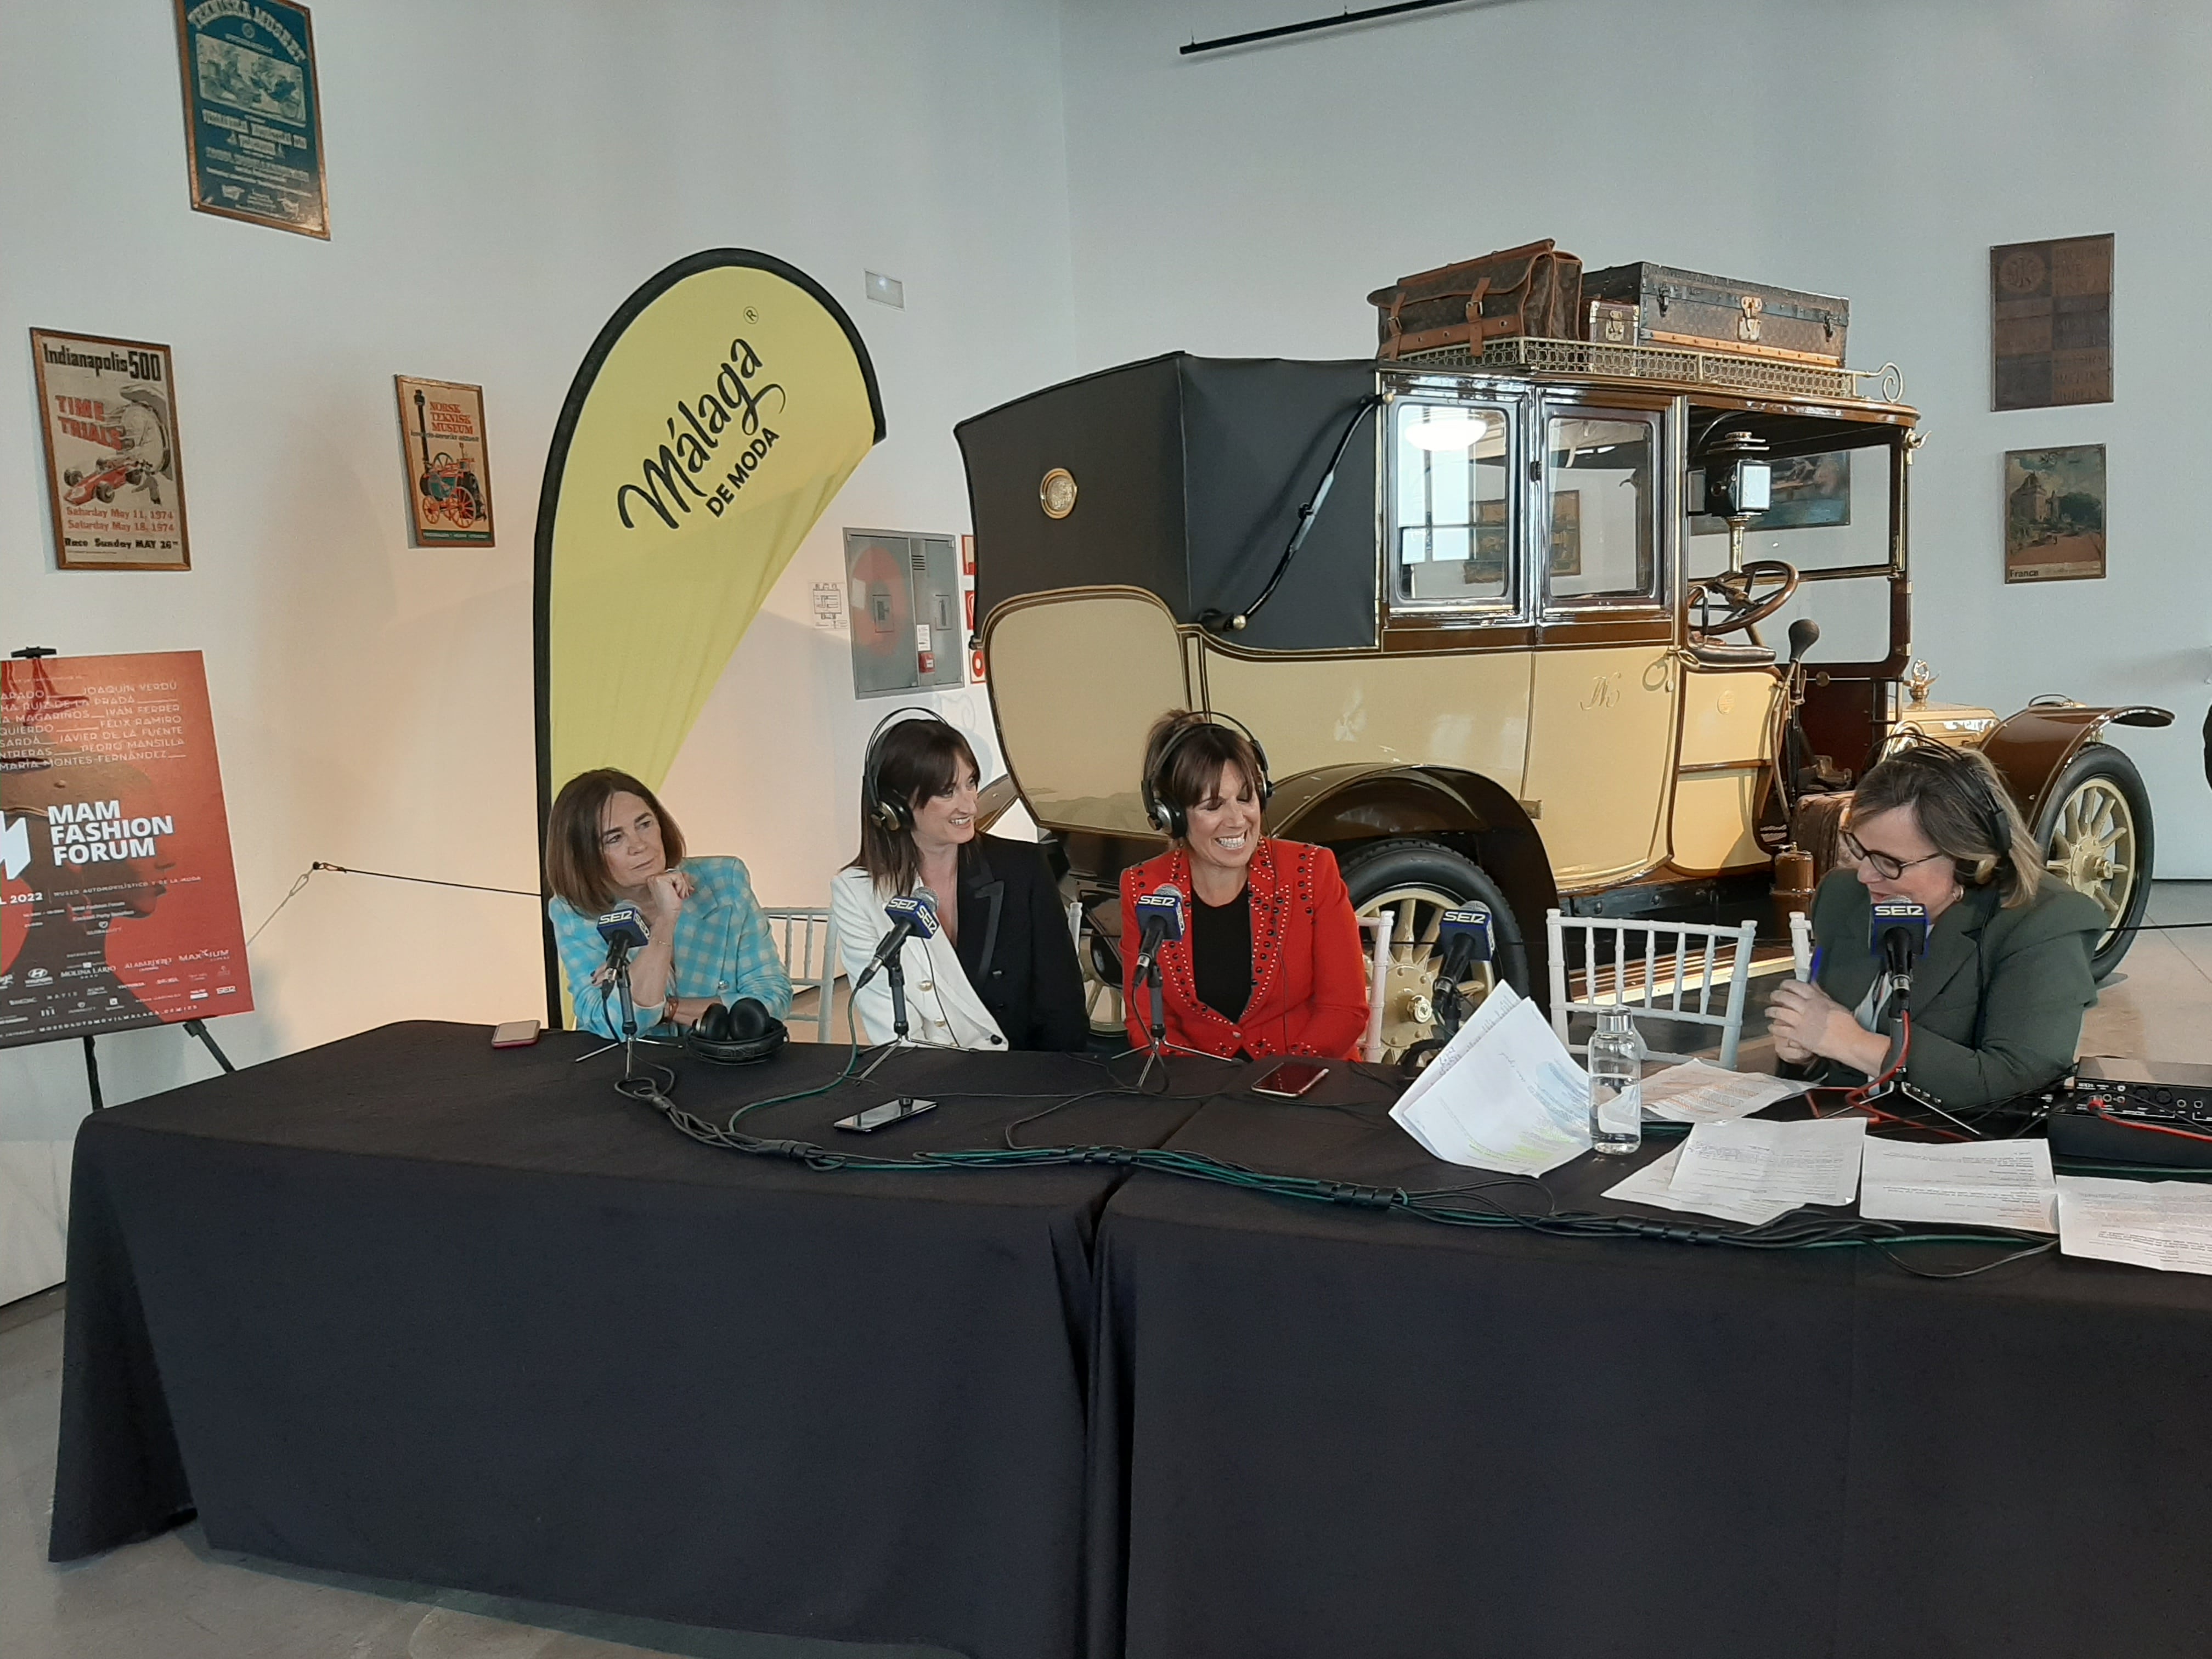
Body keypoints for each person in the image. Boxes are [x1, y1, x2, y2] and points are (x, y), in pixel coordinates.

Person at [1766, 739, 2103, 1107]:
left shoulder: (2045, 921)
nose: (1864, 875)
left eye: (1889, 861)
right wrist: (1803, 1054)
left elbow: (2021, 1080)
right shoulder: (1841, 895)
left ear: (1969, 860)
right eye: (1859, 850)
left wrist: (1852, 1043)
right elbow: (1818, 1063)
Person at [1119, 710, 1368, 1060]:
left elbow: (1344, 1011)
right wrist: (1204, 1090)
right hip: (1198, 1091)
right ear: (1172, 816)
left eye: (1246, 798)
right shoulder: (1144, 887)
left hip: (1307, 1081)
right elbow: (1145, 1018)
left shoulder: (1311, 870)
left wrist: (1279, 1081)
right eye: (1213, 805)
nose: (1237, 820)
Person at [832, 713, 1087, 1051]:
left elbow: (1063, 1009)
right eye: (947, 792)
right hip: (925, 1082)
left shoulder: (1022, 867)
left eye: (971, 783)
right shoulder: (857, 891)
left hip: (1024, 1078)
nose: (970, 804)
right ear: (895, 807)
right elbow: (890, 1032)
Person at [545, 768, 791, 1039]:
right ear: (583, 856)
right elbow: (611, 1024)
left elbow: (771, 1000)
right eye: (614, 838)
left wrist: (663, 1008)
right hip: (631, 1070)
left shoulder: (725, 880)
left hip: (723, 1063)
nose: (639, 845)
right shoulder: (573, 912)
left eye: (645, 824)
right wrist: (665, 922)